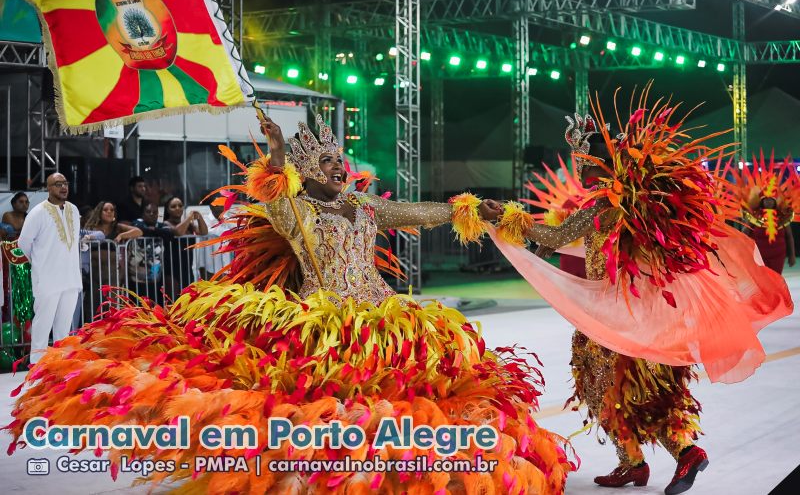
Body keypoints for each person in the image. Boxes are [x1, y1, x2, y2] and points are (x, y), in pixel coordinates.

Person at [8, 114, 575, 493]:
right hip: (319, 324)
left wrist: (479, 208)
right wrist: (277, 153)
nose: (337, 169)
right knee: (323, 411)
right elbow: (271, 190)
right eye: (325, 164)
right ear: (307, 172)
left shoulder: (367, 208)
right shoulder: (298, 211)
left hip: (379, 319)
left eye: (339, 163)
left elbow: (427, 212)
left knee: (396, 401)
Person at [491, 92, 792, 494]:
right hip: (649, 313)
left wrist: (507, 219)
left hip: (614, 315)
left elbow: (556, 234)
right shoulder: (632, 206)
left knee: (603, 390)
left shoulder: (600, 207)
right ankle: (666, 456)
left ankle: (648, 458)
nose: (580, 172)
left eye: (583, 164)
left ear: (597, 166)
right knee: (649, 391)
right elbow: (585, 245)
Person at [17, 173, 81, 365]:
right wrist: (39, 262)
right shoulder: (38, 212)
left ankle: (60, 363)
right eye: (58, 184)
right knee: (43, 323)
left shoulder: (74, 210)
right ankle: (37, 363)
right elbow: (23, 243)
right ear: (48, 188)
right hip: (47, 278)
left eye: (65, 183)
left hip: (70, 277)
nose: (63, 187)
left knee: (64, 326)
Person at [161, 196, 207, 295]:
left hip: (186, 267)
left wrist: (199, 217)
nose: (177, 208)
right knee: (173, 299)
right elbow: (178, 231)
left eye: (180, 206)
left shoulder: (188, 225)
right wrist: (189, 218)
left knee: (186, 298)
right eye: (173, 206)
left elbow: (204, 232)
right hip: (172, 268)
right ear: (168, 210)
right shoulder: (166, 224)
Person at [195, 202, 233, 280]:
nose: (220, 207)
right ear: (211, 207)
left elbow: (234, 230)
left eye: (221, 204)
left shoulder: (228, 218)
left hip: (227, 259)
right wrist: (226, 232)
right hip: (210, 261)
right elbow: (208, 231)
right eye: (217, 205)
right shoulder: (206, 219)